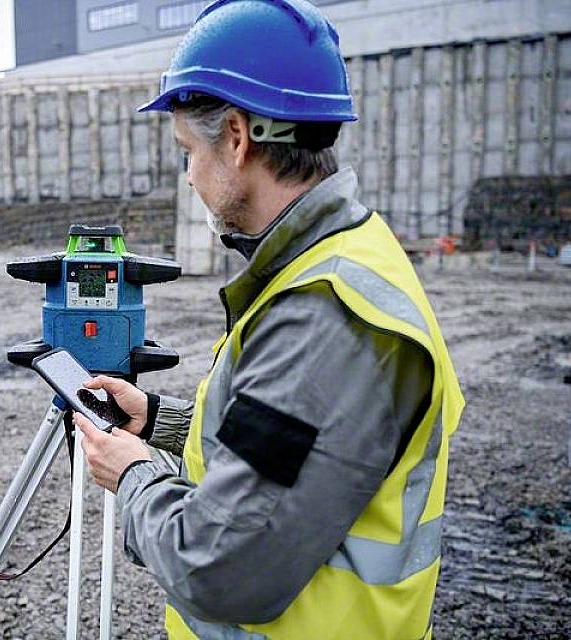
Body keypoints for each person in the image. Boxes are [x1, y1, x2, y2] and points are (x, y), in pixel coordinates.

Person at [73, 1, 465, 638]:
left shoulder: (324, 316)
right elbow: (294, 446)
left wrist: (133, 471)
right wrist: (159, 421)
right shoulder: (336, 257)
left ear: (235, 136)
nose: (190, 177)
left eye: (187, 152)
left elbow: (217, 568)